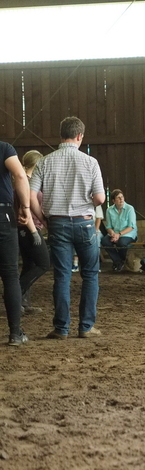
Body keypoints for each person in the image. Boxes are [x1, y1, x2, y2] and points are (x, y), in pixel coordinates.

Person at [30, 116, 105, 340]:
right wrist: (86, 203)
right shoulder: (90, 162)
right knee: (90, 274)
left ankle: (61, 328)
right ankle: (86, 326)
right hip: (84, 222)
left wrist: (43, 216)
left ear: (60, 135)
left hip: (58, 223)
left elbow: (32, 195)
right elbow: (100, 198)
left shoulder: (45, 162)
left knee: (62, 276)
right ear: (80, 136)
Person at [1, 141, 32, 346]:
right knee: (10, 274)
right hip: (2, 214)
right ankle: (15, 333)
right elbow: (20, 175)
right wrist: (26, 207)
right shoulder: (4, 148)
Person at [16, 150, 49, 315]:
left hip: (28, 227)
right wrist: (34, 231)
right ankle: (16, 293)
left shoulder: (26, 180)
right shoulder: (26, 183)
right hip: (29, 227)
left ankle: (23, 302)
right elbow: (26, 208)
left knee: (29, 265)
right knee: (44, 263)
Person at [102, 189, 138, 272]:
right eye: (118, 198)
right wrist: (112, 234)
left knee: (121, 242)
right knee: (105, 241)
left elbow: (131, 226)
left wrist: (119, 234)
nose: (121, 199)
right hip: (114, 233)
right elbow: (108, 226)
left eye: (122, 197)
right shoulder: (109, 210)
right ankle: (118, 261)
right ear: (113, 201)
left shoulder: (130, 208)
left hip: (128, 233)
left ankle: (120, 261)